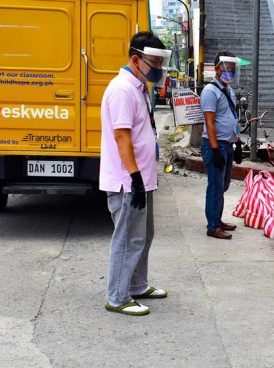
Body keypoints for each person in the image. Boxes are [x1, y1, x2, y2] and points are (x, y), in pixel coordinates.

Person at [99, 31, 170, 316]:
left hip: (141, 180)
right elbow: (122, 137)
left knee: (144, 235)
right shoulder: (122, 90)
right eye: (154, 63)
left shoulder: (138, 87)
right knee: (128, 238)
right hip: (128, 182)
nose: (158, 70)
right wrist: (135, 177)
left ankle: (137, 285)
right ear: (135, 59)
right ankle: (117, 296)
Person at [200, 51, 241, 240]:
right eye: (227, 70)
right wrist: (215, 149)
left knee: (223, 185)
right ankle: (213, 226)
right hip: (215, 146)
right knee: (215, 186)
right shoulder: (210, 91)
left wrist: (238, 143)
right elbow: (210, 123)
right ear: (216, 69)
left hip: (228, 145)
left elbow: (231, 116)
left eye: (232, 70)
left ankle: (218, 219)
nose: (230, 73)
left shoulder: (228, 89)